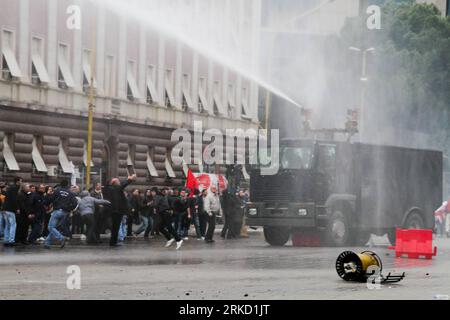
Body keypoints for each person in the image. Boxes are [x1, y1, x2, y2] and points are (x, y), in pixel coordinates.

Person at [44, 179, 79, 249]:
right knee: (54, 228)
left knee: (50, 227)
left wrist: (46, 202)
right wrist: (69, 209)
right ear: (67, 185)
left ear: (60, 184)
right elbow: (75, 203)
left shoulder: (57, 190)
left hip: (57, 211)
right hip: (65, 213)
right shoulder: (70, 193)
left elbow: (51, 199)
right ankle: (47, 243)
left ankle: (61, 238)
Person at [103, 175, 136, 247]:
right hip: (117, 211)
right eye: (118, 181)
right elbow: (123, 185)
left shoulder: (109, 188)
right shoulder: (115, 188)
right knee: (116, 227)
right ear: (114, 183)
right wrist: (129, 179)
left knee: (116, 227)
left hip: (114, 210)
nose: (119, 182)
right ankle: (113, 243)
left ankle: (113, 242)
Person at [3, 177, 22, 247]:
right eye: (20, 181)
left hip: (5, 209)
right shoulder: (15, 188)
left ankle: (6, 240)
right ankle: (11, 240)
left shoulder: (10, 187)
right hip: (10, 209)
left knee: (7, 225)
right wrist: (17, 208)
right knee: (13, 225)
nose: (21, 183)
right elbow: (14, 199)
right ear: (17, 182)